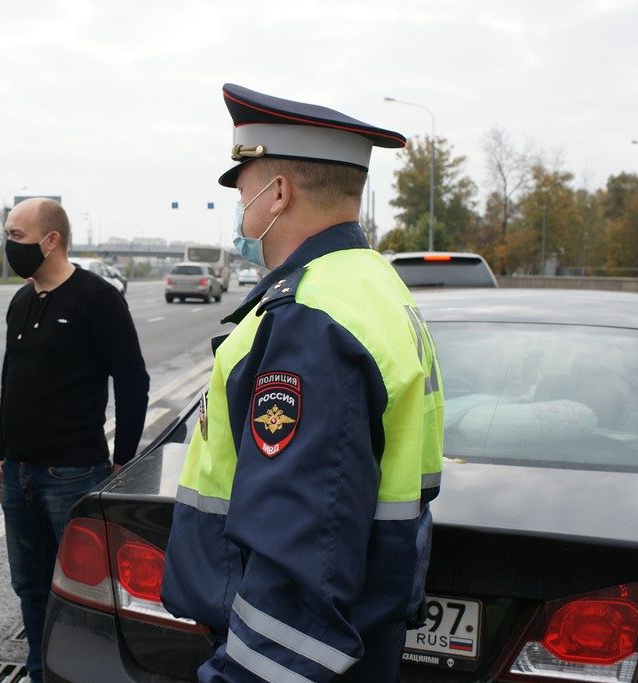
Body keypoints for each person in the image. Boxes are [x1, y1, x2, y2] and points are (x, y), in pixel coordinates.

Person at [160, 84, 446, 683]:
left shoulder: (312, 318)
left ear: (279, 193)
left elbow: (299, 564)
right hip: (361, 638)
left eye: (243, 190)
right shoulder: (372, 286)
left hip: (298, 659)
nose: (242, 210)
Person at [0, 198, 150, 683]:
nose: (8, 244)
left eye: (16, 235)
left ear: (51, 239)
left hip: (71, 474)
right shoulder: (21, 299)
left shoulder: (97, 299)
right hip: (19, 473)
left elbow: (131, 380)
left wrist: (123, 459)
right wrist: (2, 457)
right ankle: (41, 672)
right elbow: (11, 381)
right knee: (30, 587)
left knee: (86, 593)